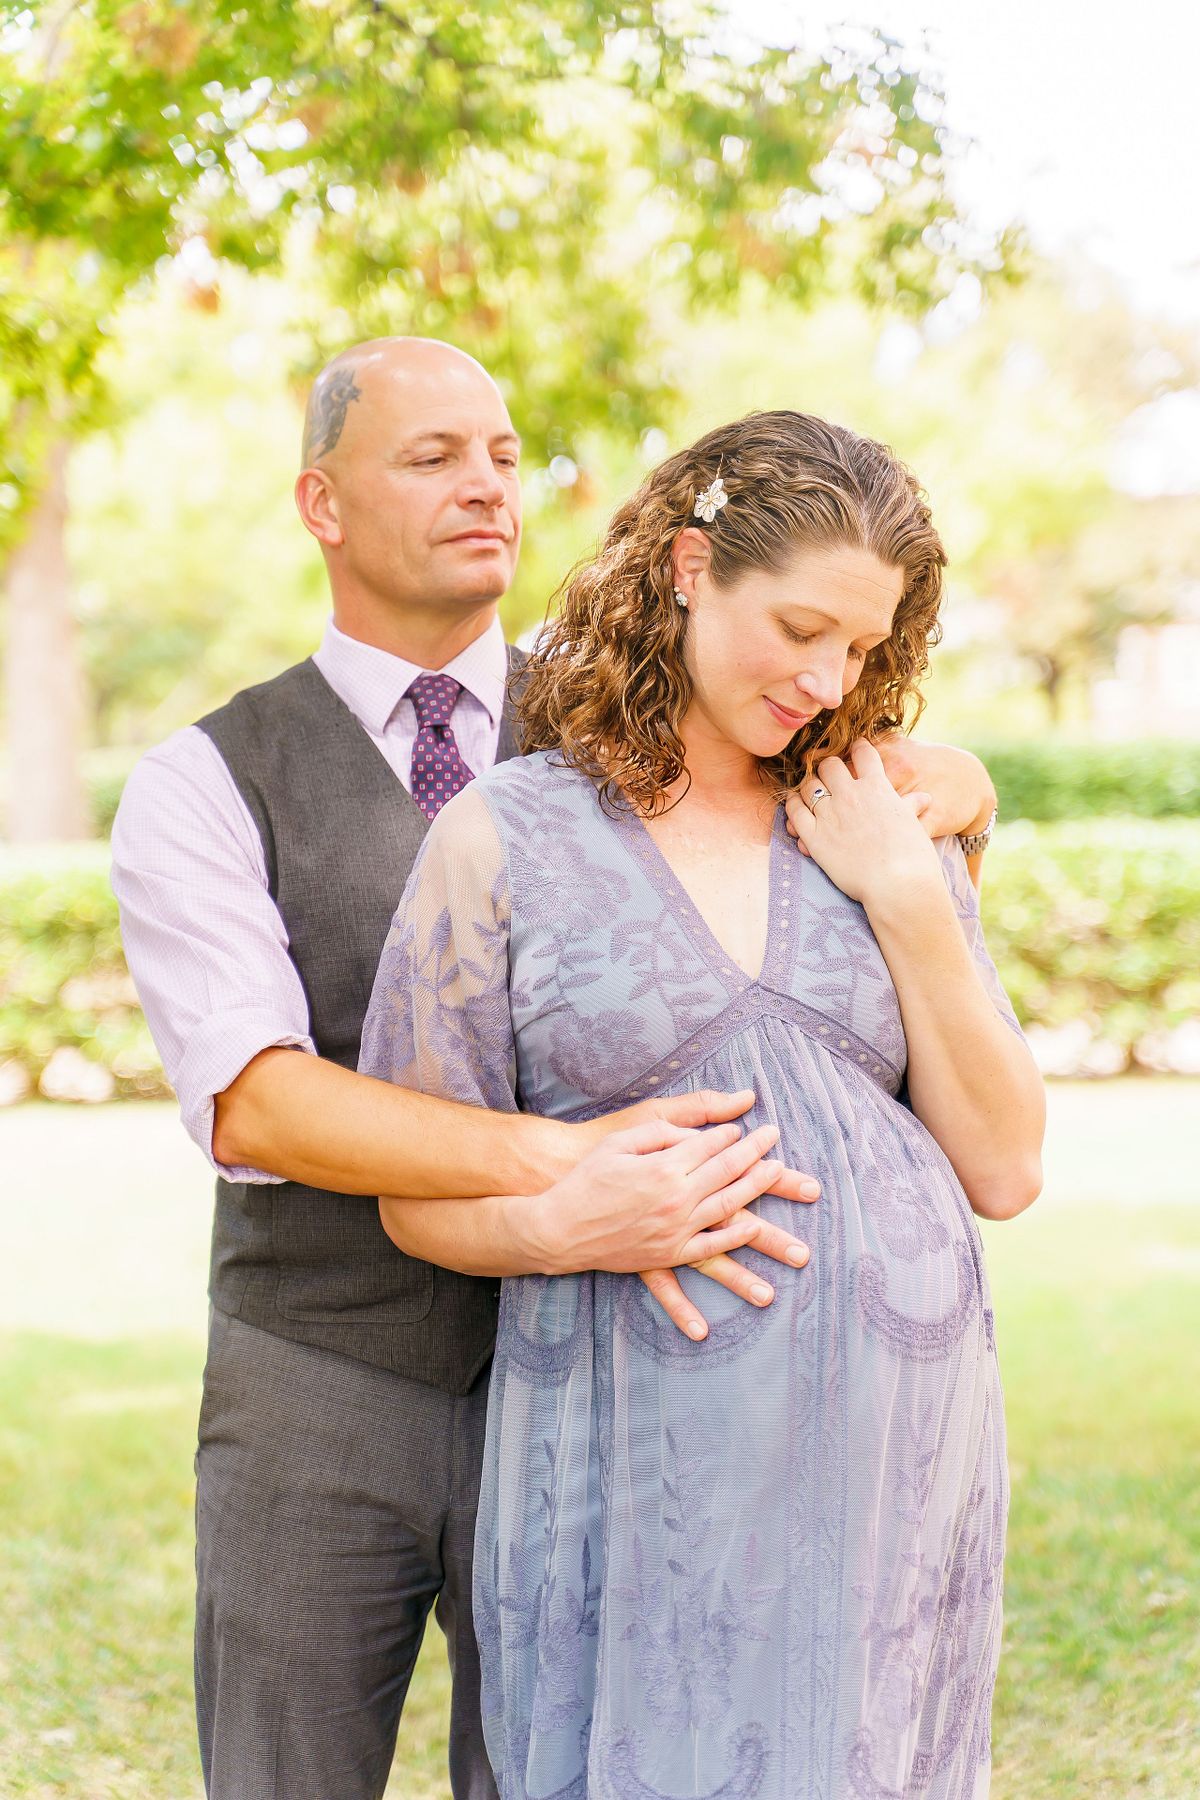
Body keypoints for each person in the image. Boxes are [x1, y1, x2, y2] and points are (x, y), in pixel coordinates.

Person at [112, 336, 1000, 1799]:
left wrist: (958, 782)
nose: (487, 488)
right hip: (335, 1380)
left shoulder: (648, 714)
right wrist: (577, 1175)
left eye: (505, 457)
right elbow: (256, 1099)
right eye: (432, 457)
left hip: (623, 1392)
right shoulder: (207, 778)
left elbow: (820, 735)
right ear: (320, 504)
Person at [359, 410, 1044, 1799]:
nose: (823, 676)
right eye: (797, 627)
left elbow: (1008, 1165)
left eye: (860, 646)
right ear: (686, 566)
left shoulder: (877, 813)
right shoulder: (505, 836)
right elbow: (409, 1186)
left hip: (893, 1469)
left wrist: (911, 893)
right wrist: (569, 1227)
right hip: (632, 1456)